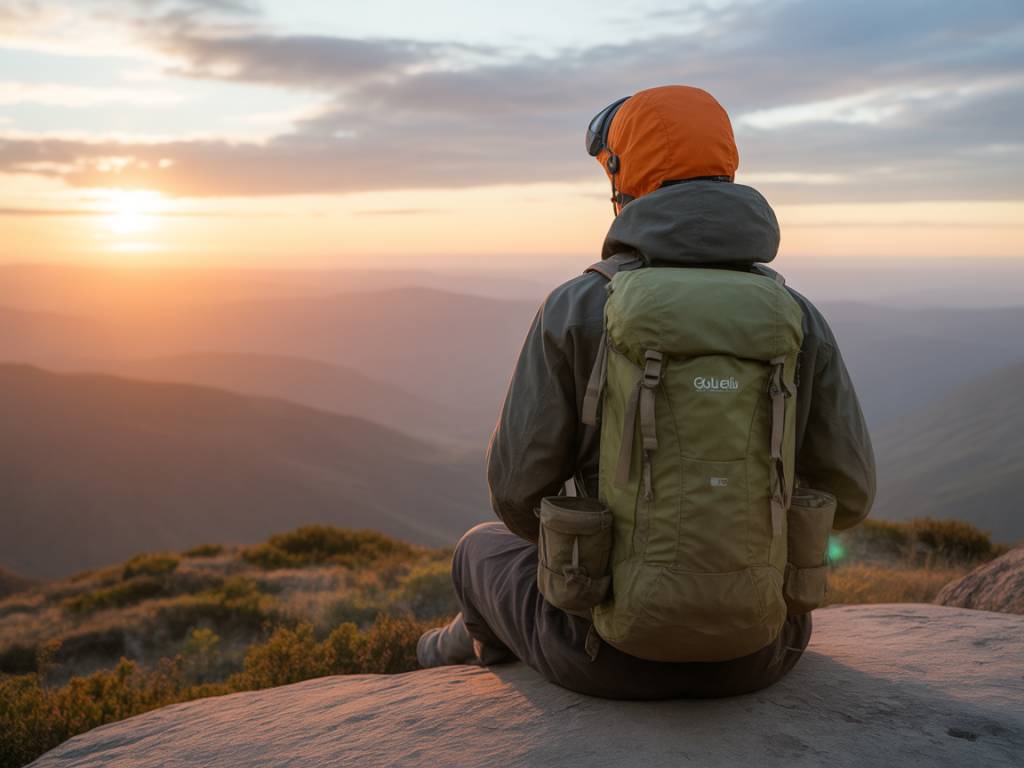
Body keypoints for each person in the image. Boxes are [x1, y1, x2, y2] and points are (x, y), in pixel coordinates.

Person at [417, 84, 876, 699]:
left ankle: (453, 650)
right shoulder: (793, 315)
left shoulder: (580, 306)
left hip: (602, 654)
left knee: (479, 548)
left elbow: (516, 496)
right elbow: (848, 493)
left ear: (621, 177)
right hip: (763, 650)